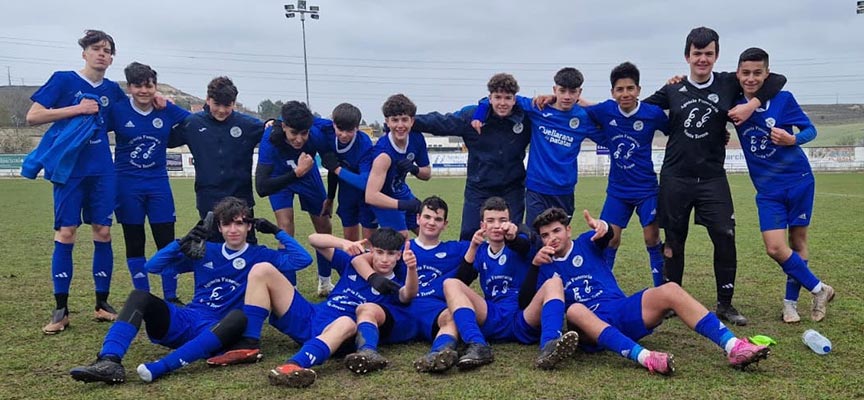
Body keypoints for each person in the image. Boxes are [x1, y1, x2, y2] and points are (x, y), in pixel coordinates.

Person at [69, 197, 312, 384]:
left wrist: (277, 232)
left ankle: (163, 367)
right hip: (188, 319)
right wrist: (181, 242)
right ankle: (109, 361)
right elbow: (153, 266)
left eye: (240, 223)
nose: (233, 230)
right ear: (219, 226)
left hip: (221, 328)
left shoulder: (260, 255)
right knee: (139, 296)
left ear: (249, 226)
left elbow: (303, 260)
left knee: (239, 317)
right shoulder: (205, 250)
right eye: (227, 224)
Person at [642, 27, 787, 325]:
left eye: (709, 53)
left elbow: (776, 80)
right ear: (687, 56)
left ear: (717, 55)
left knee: (725, 236)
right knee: (674, 241)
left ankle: (725, 304)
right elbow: (637, 110)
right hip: (675, 177)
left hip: (712, 179)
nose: (703, 59)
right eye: (697, 53)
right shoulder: (673, 89)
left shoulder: (727, 83)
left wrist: (750, 105)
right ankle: (672, 300)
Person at [532, 208, 771, 376]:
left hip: (619, 309)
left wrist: (603, 227)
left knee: (670, 289)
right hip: (588, 327)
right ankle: (646, 358)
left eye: (556, 231)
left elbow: (606, 237)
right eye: (545, 235)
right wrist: (535, 266)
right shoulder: (545, 264)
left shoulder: (586, 242)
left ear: (568, 230)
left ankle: (734, 347)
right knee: (574, 310)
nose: (552, 238)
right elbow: (538, 302)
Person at [206, 227, 416, 388]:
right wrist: (345, 243)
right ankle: (249, 343)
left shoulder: (395, 281)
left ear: (398, 255)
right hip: (313, 315)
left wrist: (411, 269)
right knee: (262, 269)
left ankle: (295, 364)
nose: (385, 259)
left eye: (391, 254)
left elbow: (407, 296)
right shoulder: (353, 261)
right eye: (380, 252)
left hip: (337, 334)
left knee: (345, 322)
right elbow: (314, 239)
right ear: (372, 250)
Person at [26, 30, 128, 334]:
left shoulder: (113, 89)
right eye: (96, 49)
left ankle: (102, 304)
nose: (102, 54)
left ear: (111, 58)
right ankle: (61, 309)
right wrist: (78, 109)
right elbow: (33, 116)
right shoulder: (63, 79)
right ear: (84, 53)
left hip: (102, 171)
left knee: (103, 231)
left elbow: (128, 116)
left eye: (108, 51)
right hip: (70, 171)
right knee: (67, 232)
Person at [733, 47, 834, 323]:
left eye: (757, 72)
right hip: (768, 190)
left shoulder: (783, 99)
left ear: (767, 73)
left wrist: (793, 140)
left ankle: (790, 304)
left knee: (798, 241)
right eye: (745, 73)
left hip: (799, 181)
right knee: (775, 247)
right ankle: (819, 289)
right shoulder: (734, 102)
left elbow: (810, 130)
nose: (751, 78)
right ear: (737, 74)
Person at [442, 197, 578, 371]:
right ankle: (477, 344)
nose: (497, 225)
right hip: (493, 315)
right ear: (483, 225)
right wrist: (473, 247)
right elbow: (462, 281)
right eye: (490, 221)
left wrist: (513, 237)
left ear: (510, 223)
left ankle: (550, 345)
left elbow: (522, 244)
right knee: (450, 283)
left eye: (503, 220)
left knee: (554, 282)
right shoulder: (481, 251)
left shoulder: (519, 242)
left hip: (523, 316)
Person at [472, 67, 606, 226]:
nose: (567, 96)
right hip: (537, 189)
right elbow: (502, 95)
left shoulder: (583, 118)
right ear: (555, 89)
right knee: (534, 239)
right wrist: (480, 112)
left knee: (559, 239)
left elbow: (608, 138)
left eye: (573, 91)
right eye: (562, 91)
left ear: (579, 92)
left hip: (564, 191)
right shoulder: (538, 107)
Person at [411, 73, 532, 240]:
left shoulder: (526, 118)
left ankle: (509, 266)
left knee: (513, 234)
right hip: (478, 186)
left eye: (507, 98)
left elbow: (549, 112)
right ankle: (469, 266)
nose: (502, 103)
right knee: (469, 235)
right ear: (489, 97)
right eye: (498, 97)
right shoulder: (472, 116)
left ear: (514, 99)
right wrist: (408, 121)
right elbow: (441, 122)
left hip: (512, 186)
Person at [108, 61, 190, 304]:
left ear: (155, 86)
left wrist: (170, 104)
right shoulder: (119, 109)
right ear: (129, 87)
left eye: (149, 85)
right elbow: (94, 129)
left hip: (158, 184)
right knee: (135, 240)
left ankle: (171, 297)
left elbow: (195, 123)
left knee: (166, 240)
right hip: (127, 185)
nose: (144, 91)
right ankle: (143, 296)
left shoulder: (164, 109)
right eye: (138, 86)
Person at [583, 62, 668, 286]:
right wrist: (550, 98)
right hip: (618, 191)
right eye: (620, 89)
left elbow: (676, 130)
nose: (625, 93)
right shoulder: (605, 110)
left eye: (630, 88)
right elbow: (578, 105)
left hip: (647, 189)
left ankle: (661, 289)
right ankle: (603, 288)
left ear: (639, 90)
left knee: (652, 238)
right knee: (610, 239)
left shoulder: (653, 114)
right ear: (613, 92)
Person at [169, 76, 264, 244]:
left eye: (227, 105)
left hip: (241, 199)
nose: (221, 110)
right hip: (208, 200)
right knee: (213, 249)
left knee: (246, 248)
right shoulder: (192, 123)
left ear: (234, 103)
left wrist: (272, 123)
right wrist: (165, 112)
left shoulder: (248, 124)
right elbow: (166, 139)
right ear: (207, 100)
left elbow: (276, 134)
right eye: (216, 104)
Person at [255, 101, 335, 297]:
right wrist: (296, 173)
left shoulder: (316, 134)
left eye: (303, 134)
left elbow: (333, 164)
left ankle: (325, 282)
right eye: (293, 133)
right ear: (283, 127)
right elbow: (262, 187)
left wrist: (331, 197)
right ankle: (290, 287)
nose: (299, 139)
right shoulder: (270, 139)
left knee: (324, 226)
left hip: (308, 177)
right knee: (285, 226)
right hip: (282, 178)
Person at [363, 94, 431, 237]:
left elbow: (427, 174)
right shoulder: (384, 155)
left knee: (427, 232)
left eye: (404, 120)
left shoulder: (417, 139)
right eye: (395, 120)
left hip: (401, 192)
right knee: (401, 237)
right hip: (383, 198)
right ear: (387, 122)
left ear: (412, 121)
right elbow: (371, 196)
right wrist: (403, 205)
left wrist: (414, 169)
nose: (400, 125)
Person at [319, 103, 378, 243]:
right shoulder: (326, 128)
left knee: (369, 243)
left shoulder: (364, 144)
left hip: (366, 197)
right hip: (346, 194)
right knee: (350, 243)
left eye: (350, 130)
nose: (344, 135)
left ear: (357, 127)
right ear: (333, 124)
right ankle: (353, 264)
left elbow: (365, 183)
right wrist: (274, 122)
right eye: (340, 129)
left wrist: (337, 169)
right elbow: (301, 116)